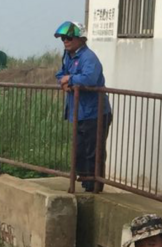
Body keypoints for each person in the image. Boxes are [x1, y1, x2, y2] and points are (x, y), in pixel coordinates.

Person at [54, 20, 112, 193]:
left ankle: (95, 186)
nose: (65, 41)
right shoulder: (68, 56)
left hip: (95, 113)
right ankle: (86, 182)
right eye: (63, 38)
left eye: (69, 38)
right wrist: (63, 81)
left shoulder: (88, 58)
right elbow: (61, 74)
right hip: (79, 112)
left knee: (94, 151)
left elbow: (89, 78)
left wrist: (70, 79)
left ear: (80, 39)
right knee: (79, 151)